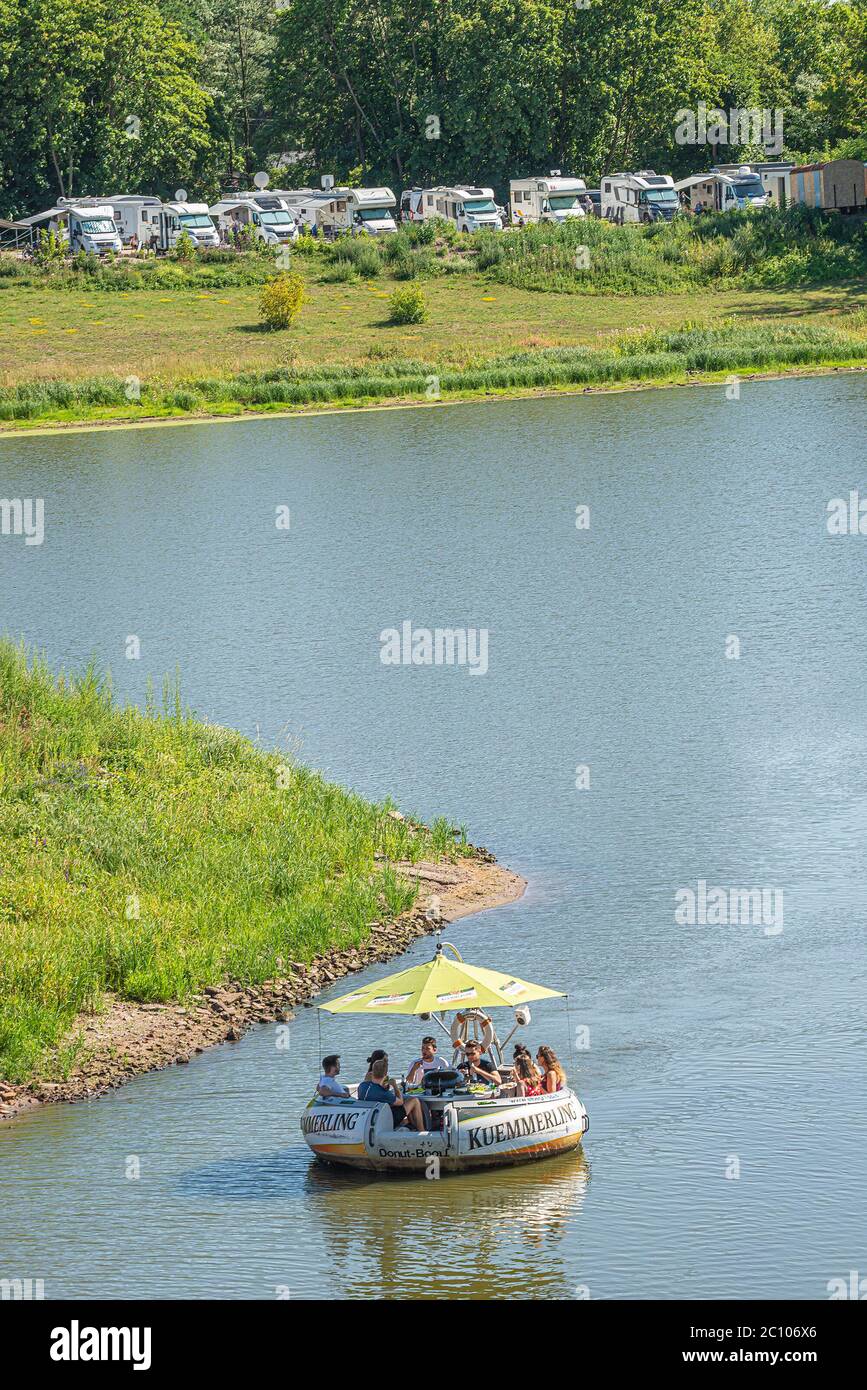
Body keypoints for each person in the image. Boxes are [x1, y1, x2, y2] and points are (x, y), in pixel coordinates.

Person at [358, 1053, 426, 1132]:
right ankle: (422, 1131)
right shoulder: (383, 1093)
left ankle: (413, 1126)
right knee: (414, 1100)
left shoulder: (362, 1086)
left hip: (368, 1118)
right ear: (385, 1074)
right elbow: (400, 1102)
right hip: (385, 1120)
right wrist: (395, 1086)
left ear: (372, 1072)